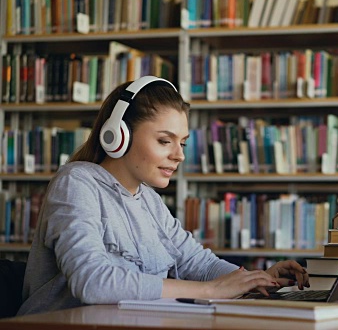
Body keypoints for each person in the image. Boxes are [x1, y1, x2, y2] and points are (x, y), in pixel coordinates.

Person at [18, 76, 309, 315]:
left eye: (181, 143)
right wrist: (210, 291)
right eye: (164, 140)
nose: (178, 155)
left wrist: (253, 279)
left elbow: (198, 263)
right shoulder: (77, 183)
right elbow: (93, 282)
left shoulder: (148, 199)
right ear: (118, 136)